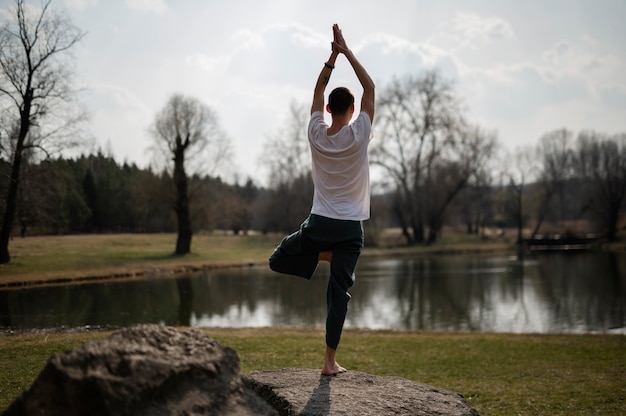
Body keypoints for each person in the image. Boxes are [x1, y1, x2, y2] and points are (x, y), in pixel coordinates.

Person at [269, 23, 375, 376]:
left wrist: (331, 57)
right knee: (338, 296)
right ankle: (329, 362)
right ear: (353, 109)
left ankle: (319, 254)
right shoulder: (360, 135)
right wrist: (347, 51)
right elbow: (370, 87)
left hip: (320, 225)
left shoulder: (316, 134)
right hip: (350, 232)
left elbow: (318, 88)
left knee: (277, 258)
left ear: (327, 110)